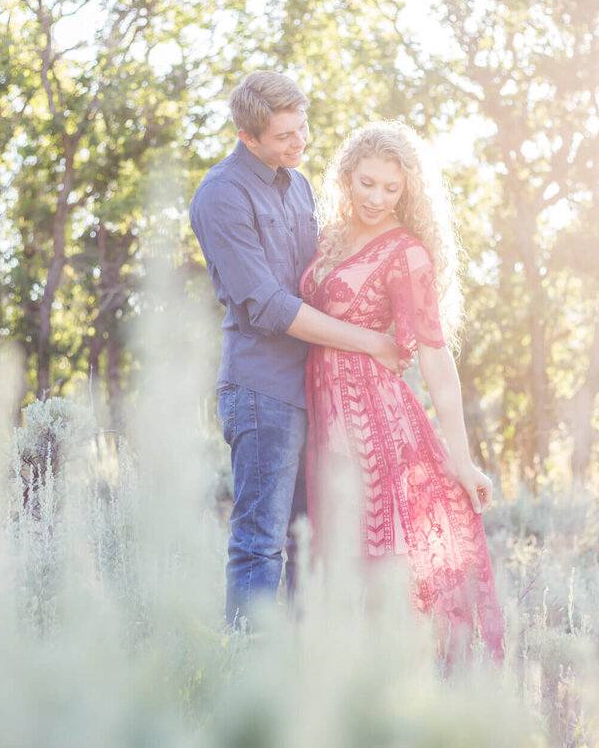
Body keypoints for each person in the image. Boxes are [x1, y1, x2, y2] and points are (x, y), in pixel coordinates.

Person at [189, 72, 408, 628]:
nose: (300, 142)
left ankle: (302, 680)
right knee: (261, 543)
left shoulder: (300, 185)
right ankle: (248, 675)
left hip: (318, 390)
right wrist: (371, 343)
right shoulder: (221, 195)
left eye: (302, 128)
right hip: (263, 390)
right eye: (285, 136)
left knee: (309, 543)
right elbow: (269, 307)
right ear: (246, 135)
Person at [301, 120, 504, 662]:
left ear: (408, 190)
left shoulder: (406, 253)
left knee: (370, 559)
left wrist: (461, 459)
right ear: (347, 176)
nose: (377, 198)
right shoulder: (328, 237)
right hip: (319, 414)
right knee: (328, 559)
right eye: (367, 183)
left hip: (369, 420)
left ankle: (394, 691)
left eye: (392, 189)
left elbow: (436, 356)